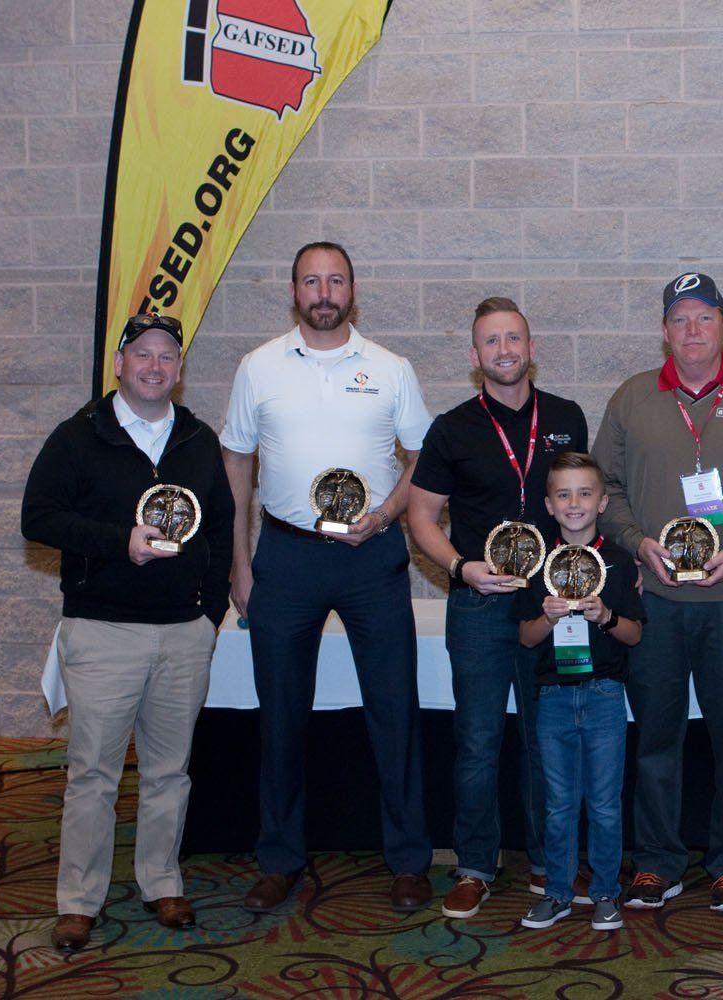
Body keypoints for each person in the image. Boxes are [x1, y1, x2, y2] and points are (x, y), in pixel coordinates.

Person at [221, 242, 433, 914]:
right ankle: (280, 858)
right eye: (311, 280)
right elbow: (235, 468)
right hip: (286, 555)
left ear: (353, 288)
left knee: (394, 711)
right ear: (293, 291)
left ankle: (407, 860)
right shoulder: (257, 368)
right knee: (280, 716)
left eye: (334, 279)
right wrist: (240, 563)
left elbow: (424, 459)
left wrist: (389, 514)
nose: (323, 290)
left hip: (372, 556)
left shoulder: (390, 369)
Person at [592, 272, 723, 913]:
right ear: (664, 331)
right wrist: (636, 541)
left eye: (704, 318)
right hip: (655, 602)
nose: (692, 330)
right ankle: (657, 862)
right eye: (680, 319)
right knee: (657, 737)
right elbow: (604, 490)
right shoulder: (632, 399)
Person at [22, 312, 234, 952]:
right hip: (103, 632)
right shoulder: (78, 436)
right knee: (93, 775)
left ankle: (161, 881)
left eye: (167, 356)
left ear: (179, 369)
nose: (154, 366)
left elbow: (222, 526)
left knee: (171, 771)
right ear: (120, 363)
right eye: (142, 354)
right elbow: (39, 518)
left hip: (183, 634)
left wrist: (210, 612)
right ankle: (78, 899)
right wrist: (120, 544)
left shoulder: (198, 438)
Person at [406, 297, 588, 918]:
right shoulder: (452, 428)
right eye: (491, 341)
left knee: (550, 738)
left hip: (553, 605)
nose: (504, 350)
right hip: (480, 604)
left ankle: (549, 861)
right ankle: (476, 865)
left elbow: (583, 506)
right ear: (474, 355)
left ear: (531, 347)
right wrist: (459, 567)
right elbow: (422, 516)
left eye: (514, 339)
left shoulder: (566, 417)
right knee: (478, 741)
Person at [512, 453, 645, 932]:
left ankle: (606, 892)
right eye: (563, 494)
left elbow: (633, 635)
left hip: (606, 693)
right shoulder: (538, 562)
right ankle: (558, 893)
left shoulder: (619, 561)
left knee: (605, 802)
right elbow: (525, 639)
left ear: (603, 502)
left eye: (585, 493)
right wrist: (547, 618)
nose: (574, 503)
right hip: (552, 698)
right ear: (548, 505)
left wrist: (604, 616)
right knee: (559, 802)